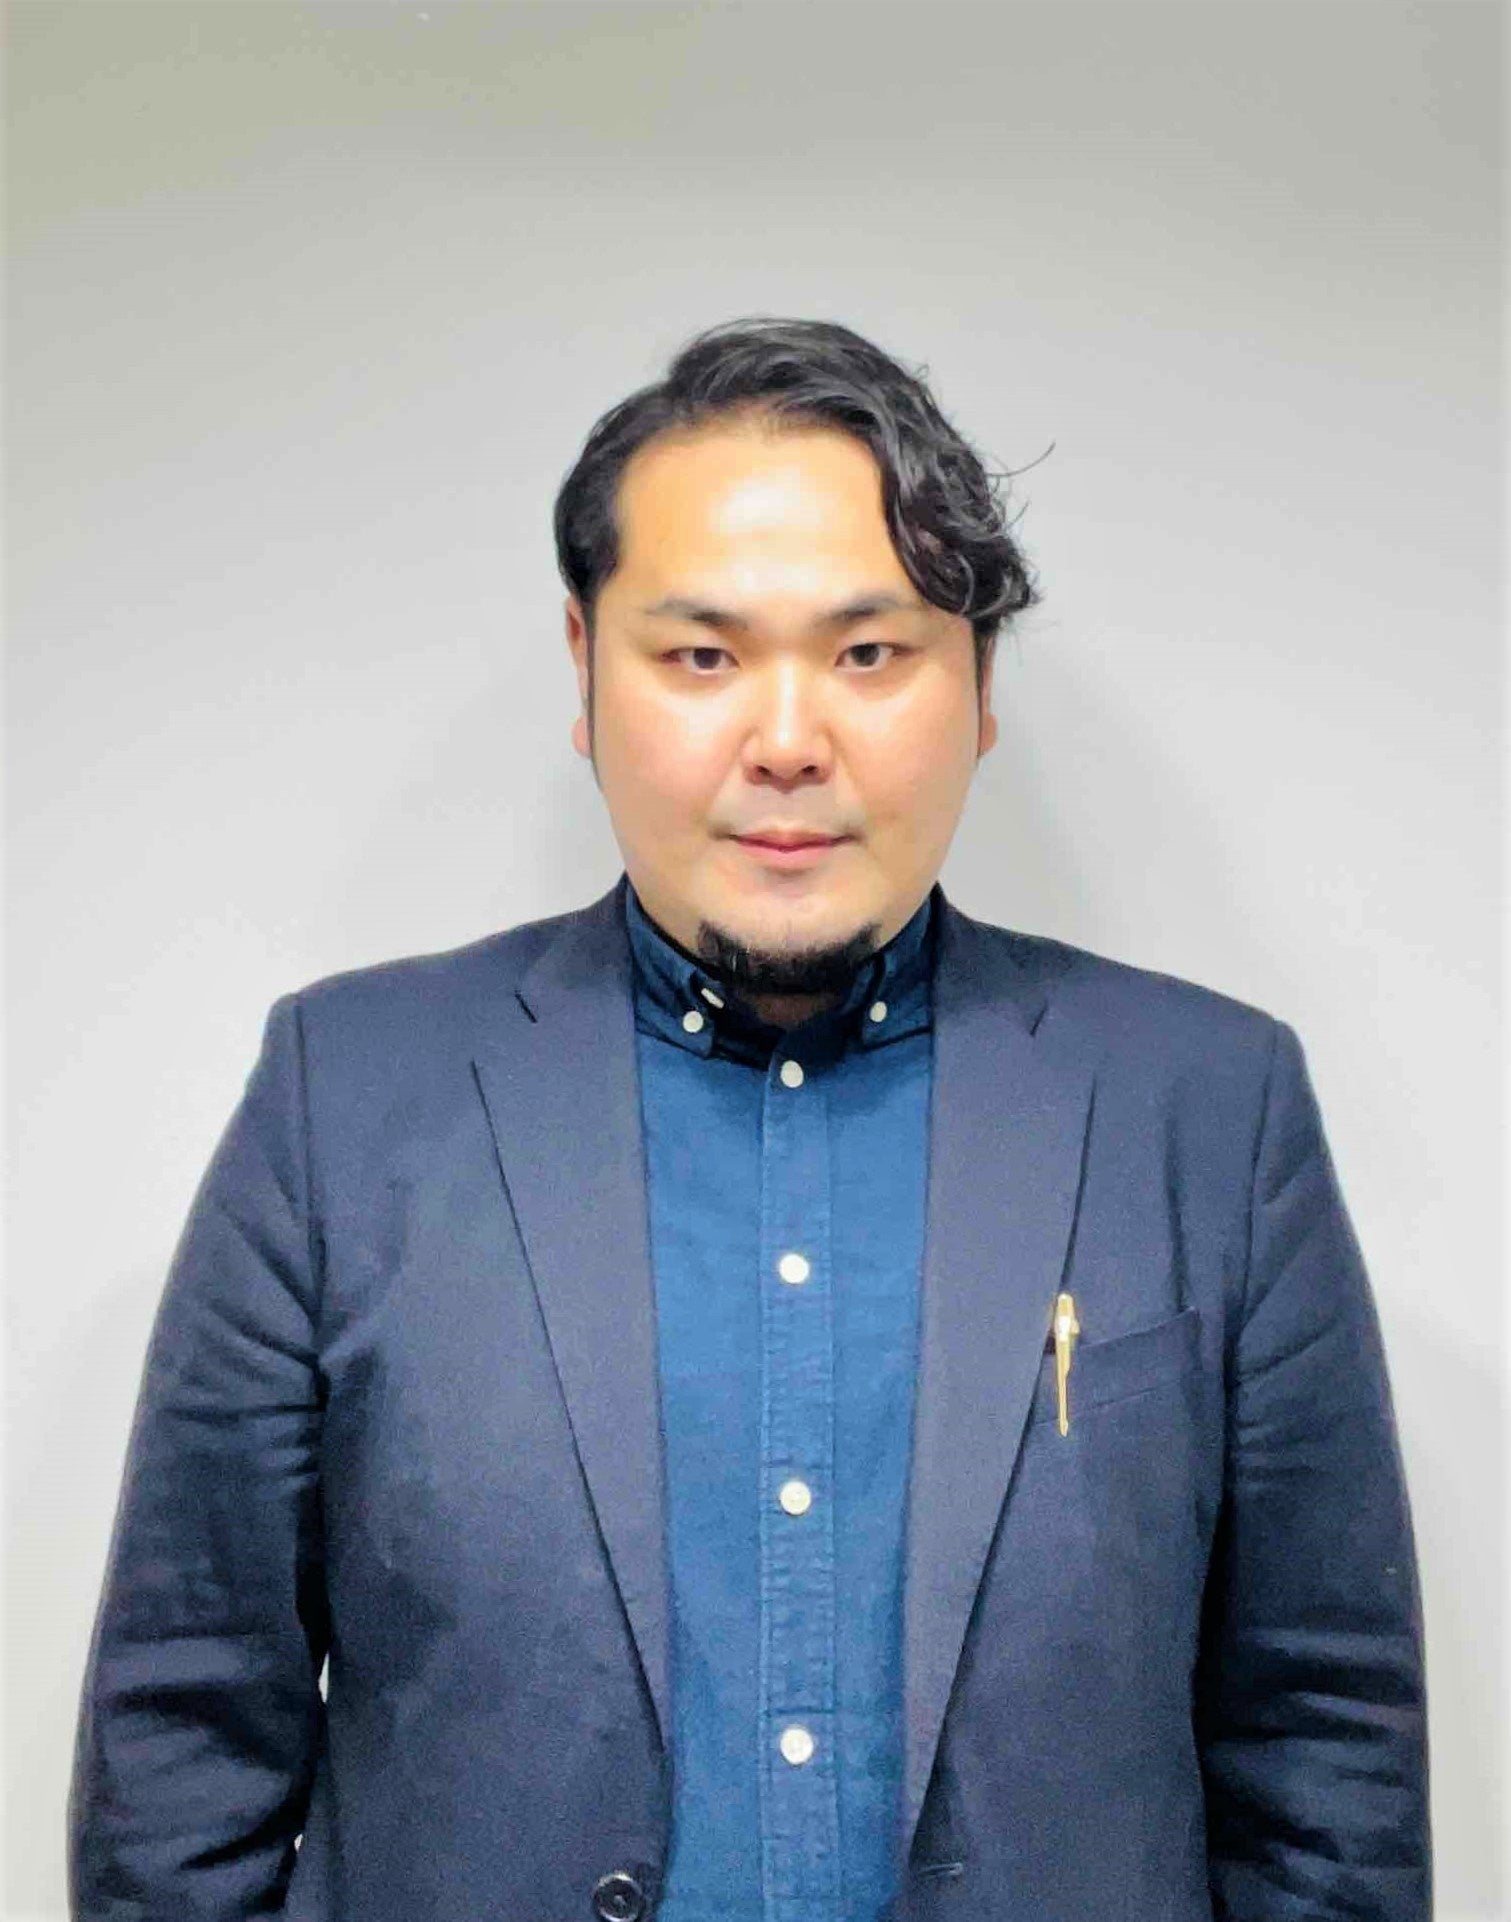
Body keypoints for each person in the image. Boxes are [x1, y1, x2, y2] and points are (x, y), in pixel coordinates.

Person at [68, 317, 1430, 1922]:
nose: (787, 742)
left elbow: (1323, 1753)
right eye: (702, 656)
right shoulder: (346, 1096)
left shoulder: (1207, 1105)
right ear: (585, 670)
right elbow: (184, 1745)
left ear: (981, 684)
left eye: (871, 653)